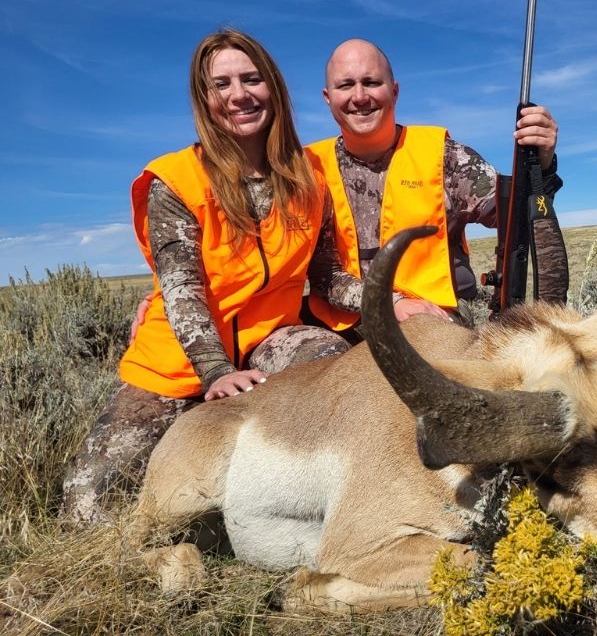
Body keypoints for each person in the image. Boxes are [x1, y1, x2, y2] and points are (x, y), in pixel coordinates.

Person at [61, 29, 350, 523]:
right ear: (204, 98)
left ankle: (301, 495)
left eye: (252, 79)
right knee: (88, 508)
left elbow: (326, 276)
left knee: (329, 361)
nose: (239, 95)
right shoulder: (177, 180)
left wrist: (392, 300)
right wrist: (216, 373)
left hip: (267, 342)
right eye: (222, 84)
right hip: (177, 361)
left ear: (273, 86)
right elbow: (182, 290)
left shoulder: (308, 176)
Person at [304, 39, 563, 329]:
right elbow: (322, 273)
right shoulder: (307, 169)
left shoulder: (445, 157)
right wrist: (390, 303)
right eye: (346, 85)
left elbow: (520, 217)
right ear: (328, 97)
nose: (360, 96)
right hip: (340, 320)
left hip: (432, 317)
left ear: (394, 91)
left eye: (371, 82)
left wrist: (540, 164)